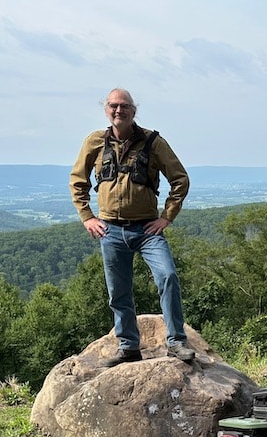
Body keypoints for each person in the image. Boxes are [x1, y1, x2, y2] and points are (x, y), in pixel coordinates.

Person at [69, 88, 194, 367]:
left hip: (147, 230)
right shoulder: (95, 142)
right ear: (106, 109)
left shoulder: (152, 141)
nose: (118, 111)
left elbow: (180, 179)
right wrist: (87, 216)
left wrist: (167, 217)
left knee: (168, 276)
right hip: (110, 230)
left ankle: (176, 341)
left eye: (124, 106)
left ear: (133, 111)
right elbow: (78, 181)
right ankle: (128, 347)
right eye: (113, 106)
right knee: (118, 291)